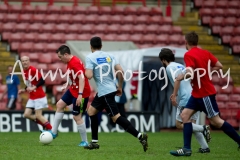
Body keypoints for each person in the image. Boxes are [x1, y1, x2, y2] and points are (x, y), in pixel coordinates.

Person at [169, 31, 240, 156]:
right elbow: (219, 65)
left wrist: (181, 76)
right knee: (185, 116)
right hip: (196, 93)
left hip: (204, 94)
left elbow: (190, 72)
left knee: (216, 122)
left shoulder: (188, 54)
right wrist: (206, 71)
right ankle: (186, 149)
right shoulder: (205, 53)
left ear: (186, 42)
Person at [84, 36, 148, 152]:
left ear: (91, 46)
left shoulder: (90, 57)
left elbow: (88, 75)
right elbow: (121, 72)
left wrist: (87, 70)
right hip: (109, 89)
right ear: (101, 46)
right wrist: (119, 87)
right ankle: (94, 142)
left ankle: (140, 135)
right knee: (91, 111)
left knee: (116, 118)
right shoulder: (110, 56)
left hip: (105, 92)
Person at [159, 48, 211, 153]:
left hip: (185, 97)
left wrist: (174, 95)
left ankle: (203, 128)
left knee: (179, 124)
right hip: (193, 94)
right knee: (191, 124)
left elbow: (177, 80)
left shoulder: (169, 67)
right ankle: (205, 147)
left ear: (163, 59)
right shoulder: (181, 65)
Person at [44, 45, 91, 147]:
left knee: (76, 117)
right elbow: (74, 76)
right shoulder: (70, 62)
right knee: (60, 104)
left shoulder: (74, 63)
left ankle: (85, 141)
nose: (60, 59)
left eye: (60, 57)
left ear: (66, 54)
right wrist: (68, 83)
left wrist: (80, 95)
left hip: (82, 93)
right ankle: (54, 132)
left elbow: (82, 78)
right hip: (73, 89)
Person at [18, 56, 52, 130]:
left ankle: (52, 130)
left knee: (38, 116)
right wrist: (24, 90)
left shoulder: (33, 70)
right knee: (26, 114)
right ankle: (44, 123)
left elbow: (42, 81)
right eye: (23, 61)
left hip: (39, 96)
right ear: (21, 63)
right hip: (32, 97)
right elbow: (29, 84)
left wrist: (34, 88)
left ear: (29, 61)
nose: (25, 62)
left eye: (26, 60)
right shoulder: (24, 72)